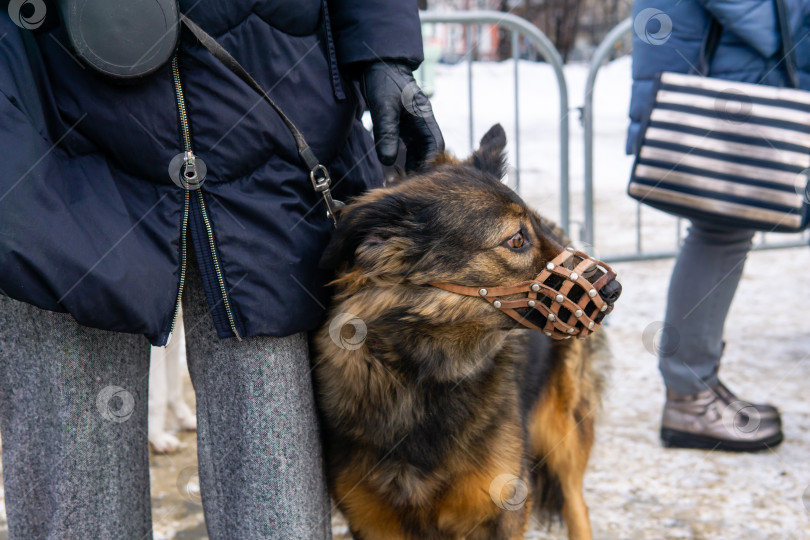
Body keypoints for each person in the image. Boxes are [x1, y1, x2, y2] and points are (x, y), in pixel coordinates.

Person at [0, 1, 443, 538]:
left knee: (277, 506)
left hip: (271, 113)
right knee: (73, 507)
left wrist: (382, 46)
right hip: (48, 117)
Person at [627, 0, 810, 451]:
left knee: (721, 233)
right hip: (739, 83)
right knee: (720, 231)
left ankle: (695, 389)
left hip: (738, 78)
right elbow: (763, 21)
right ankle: (690, 396)